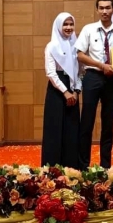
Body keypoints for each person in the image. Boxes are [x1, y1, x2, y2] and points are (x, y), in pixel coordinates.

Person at [75, 0, 113, 170]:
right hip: (92, 77)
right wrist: (101, 65)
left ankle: (105, 166)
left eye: (108, 8)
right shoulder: (88, 29)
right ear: (97, 10)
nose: (105, 11)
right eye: (101, 8)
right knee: (87, 122)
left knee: (108, 123)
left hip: (111, 79)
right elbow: (79, 55)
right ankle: (83, 166)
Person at [41, 12, 81, 169]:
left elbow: (81, 72)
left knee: (72, 130)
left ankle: (72, 169)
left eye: (71, 24)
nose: (68, 27)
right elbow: (51, 73)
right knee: (54, 129)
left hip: (73, 89)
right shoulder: (51, 46)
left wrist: (76, 91)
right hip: (57, 90)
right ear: (58, 26)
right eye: (65, 24)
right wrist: (65, 92)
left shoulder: (77, 46)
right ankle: (52, 169)